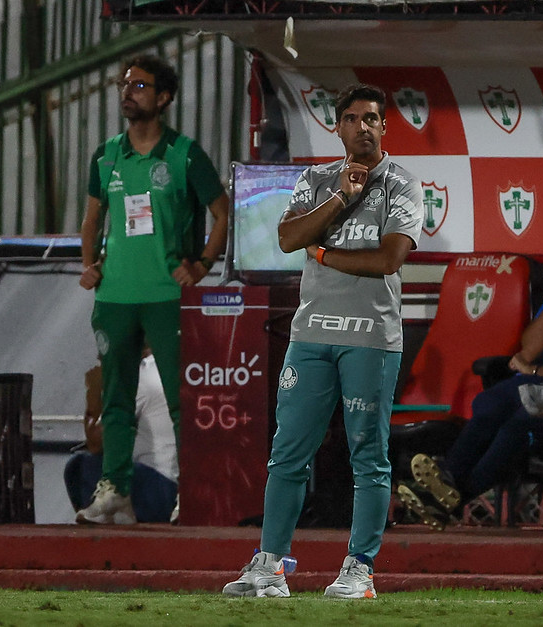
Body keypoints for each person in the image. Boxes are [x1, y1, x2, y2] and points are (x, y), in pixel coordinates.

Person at [223, 84, 423, 599]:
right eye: (352, 119)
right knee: (288, 452)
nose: (363, 127)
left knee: (368, 455)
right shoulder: (316, 179)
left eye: (372, 119)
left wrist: (326, 255)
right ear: (338, 127)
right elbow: (289, 238)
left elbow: (388, 260)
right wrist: (342, 198)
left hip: (371, 338)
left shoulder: (403, 183)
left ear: (385, 127)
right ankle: (268, 566)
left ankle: (359, 571)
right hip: (311, 335)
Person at [77, 54, 228, 524]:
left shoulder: (184, 154)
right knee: (116, 399)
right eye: (124, 84)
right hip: (115, 297)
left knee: (182, 399)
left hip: (166, 296)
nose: (128, 91)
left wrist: (202, 264)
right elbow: (91, 217)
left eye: (140, 86)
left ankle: (193, 492)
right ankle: (115, 489)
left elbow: (223, 212)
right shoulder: (106, 155)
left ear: (164, 98)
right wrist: (89, 265)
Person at [399, 295, 543, 531]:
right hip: (533, 380)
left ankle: (448, 500)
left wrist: (534, 370)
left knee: (518, 427)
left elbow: (528, 364)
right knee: (491, 403)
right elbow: (528, 351)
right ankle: (447, 486)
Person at [63, 349, 179, 523]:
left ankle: (103, 528)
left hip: (160, 493)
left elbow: (97, 441)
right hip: (182, 495)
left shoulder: (141, 375)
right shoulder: (174, 366)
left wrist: (94, 390)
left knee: (79, 465)